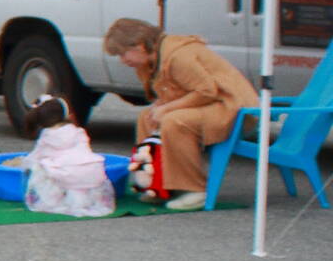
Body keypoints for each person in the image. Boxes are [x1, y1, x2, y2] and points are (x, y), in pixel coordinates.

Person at [102, 16, 256, 210]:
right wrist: (160, 105)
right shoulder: (152, 59)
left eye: (123, 54)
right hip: (211, 104)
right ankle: (157, 185)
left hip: (233, 108)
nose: (123, 61)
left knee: (176, 121)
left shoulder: (178, 56)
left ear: (140, 46)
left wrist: (167, 108)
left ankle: (194, 190)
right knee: (146, 118)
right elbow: (175, 90)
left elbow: (206, 91)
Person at [20, 94, 115, 217]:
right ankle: (84, 199)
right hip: (94, 174)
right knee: (76, 177)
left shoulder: (47, 137)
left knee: (39, 167)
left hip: (66, 176)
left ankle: (57, 199)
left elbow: (33, 159)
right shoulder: (78, 132)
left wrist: (22, 163)